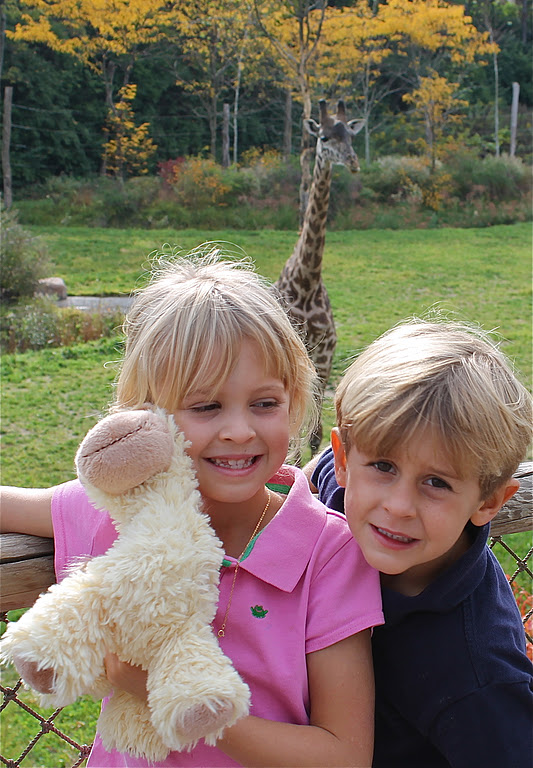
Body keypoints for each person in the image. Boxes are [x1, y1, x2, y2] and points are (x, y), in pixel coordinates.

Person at [1, 248, 384, 768]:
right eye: (206, 406)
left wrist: (161, 690)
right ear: (145, 416)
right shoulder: (124, 511)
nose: (239, 430)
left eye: (264, 403)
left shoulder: (329, 554)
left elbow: (344, 756)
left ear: (294, 401)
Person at [307, 318, 533, 768]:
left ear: (489, 501)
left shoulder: (476, 672)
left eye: (436, 483)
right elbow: (319, 472)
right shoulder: (344, 488)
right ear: (347, 459)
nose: (398, 506)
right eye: (384, 467)